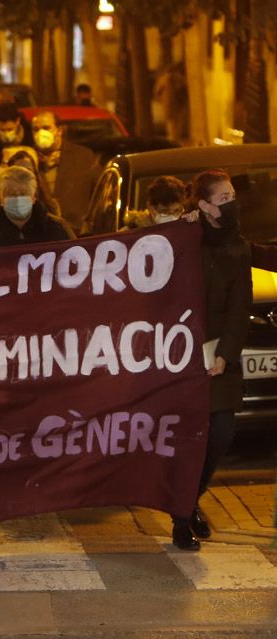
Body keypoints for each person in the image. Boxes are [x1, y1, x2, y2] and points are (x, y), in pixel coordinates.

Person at [170, 169, 250, 551]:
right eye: (224, 198)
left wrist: (225, 353)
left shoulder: (237, 245)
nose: (232, 204)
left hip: (220, 359)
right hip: (183, 357)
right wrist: (178, 229)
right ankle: (182, 518)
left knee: (219, 435)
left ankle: (189, 499)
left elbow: (240, 304)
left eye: (232, 195)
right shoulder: (184, 240)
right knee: (189, 440)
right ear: (203, 206)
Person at [30, 110, 100, 232]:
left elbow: (100, 191)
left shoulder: (82, 156)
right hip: (42, 236)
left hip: (77, 235)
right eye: (36, 129)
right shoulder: (29, 160)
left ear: (59, 131)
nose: (41, 133)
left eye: (46, 128)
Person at [0, 165, 74, 247]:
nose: (17, 198)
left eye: (23, 194)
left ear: (33, 197)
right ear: (1, 199)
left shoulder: (56, 228)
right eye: (11, 194)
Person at [0, 102, 34, 167]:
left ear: (17, 121)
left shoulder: (30, 137)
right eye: (2, 130)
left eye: (10, 129)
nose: (6, 134)